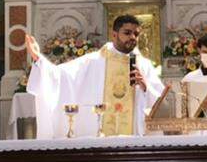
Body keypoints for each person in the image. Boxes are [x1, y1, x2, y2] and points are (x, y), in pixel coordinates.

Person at [25, 14, 166, 139]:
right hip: (101, 139)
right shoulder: (93, 61)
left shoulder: (144, 65)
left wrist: (145, 87)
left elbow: (161, 102)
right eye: (127, 33)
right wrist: (39, 59)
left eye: (136, 34)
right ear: (114, 34)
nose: (132, 38)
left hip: (134, 138)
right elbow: (60, 76)